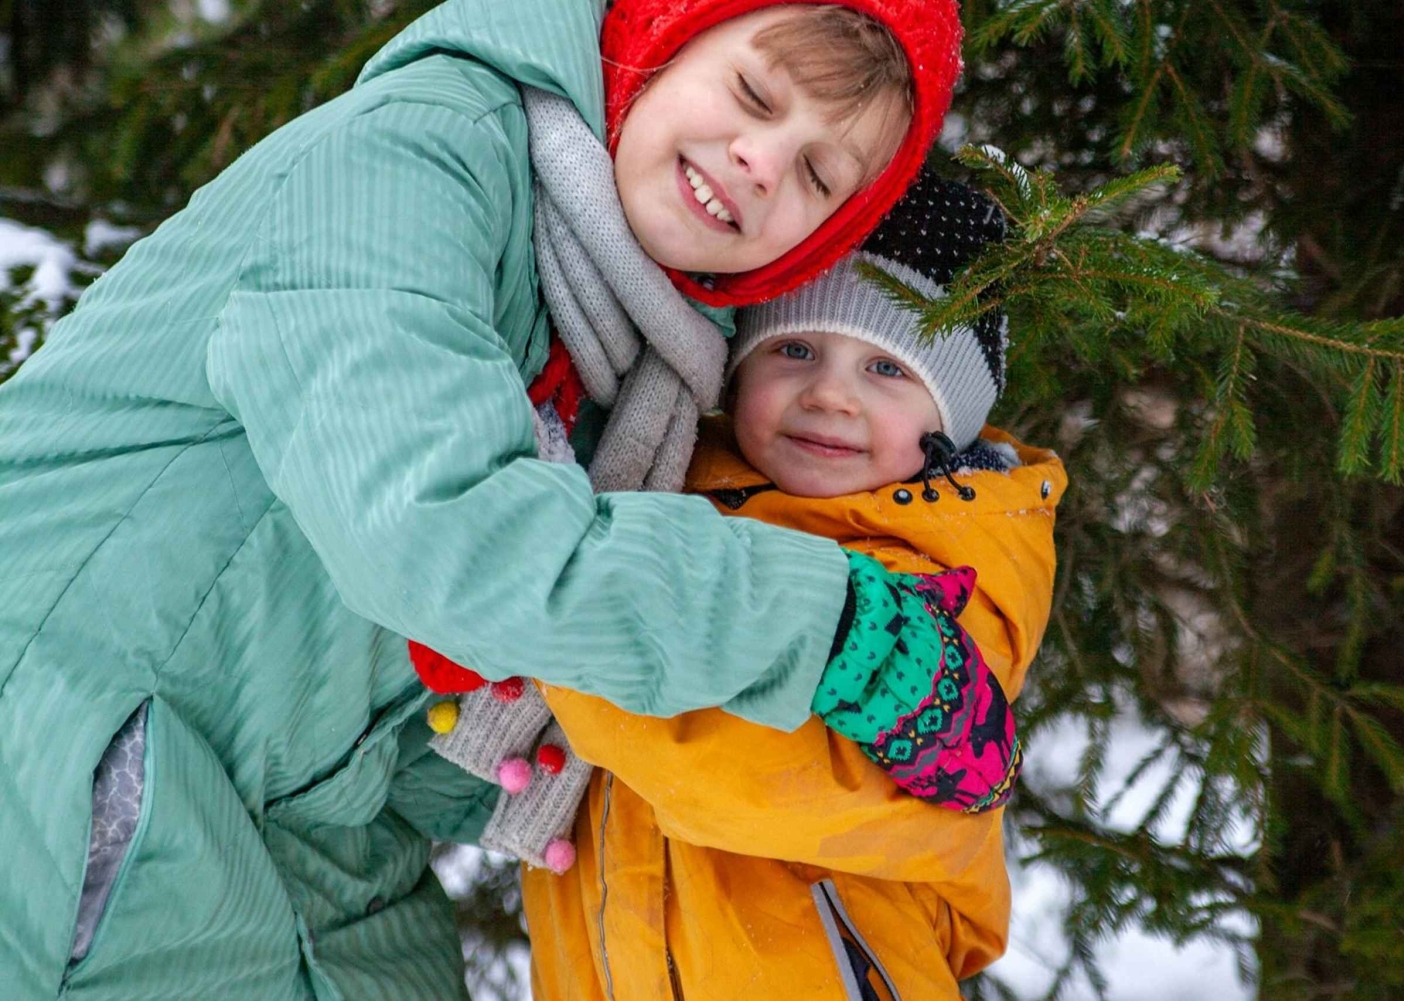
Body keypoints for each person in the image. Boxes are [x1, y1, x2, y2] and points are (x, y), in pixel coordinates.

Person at [0, 0, 969, 997]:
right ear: (652, 41)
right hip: (61, 728)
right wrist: (829, 621)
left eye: (818, 175)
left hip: (292, 818)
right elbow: (439, 531)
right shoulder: (412, 159)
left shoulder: (634, 353)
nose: (762, 161)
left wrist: (508, 756)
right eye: (753, 93)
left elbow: (360, 638)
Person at [426, 172, 1068, 999]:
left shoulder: (945, 573)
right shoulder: (673, 485)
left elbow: (755, 775)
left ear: (957, 413)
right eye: (794, 349)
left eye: (887, 366)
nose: (831, 395)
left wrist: (562, 618)